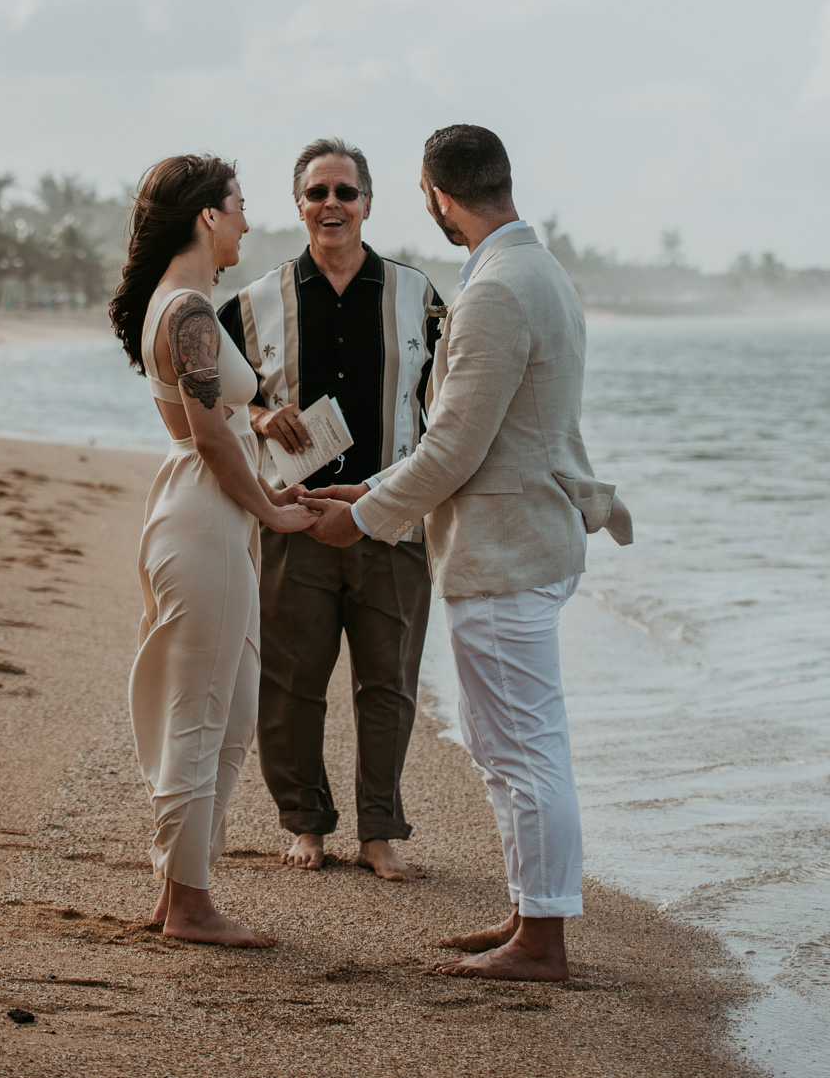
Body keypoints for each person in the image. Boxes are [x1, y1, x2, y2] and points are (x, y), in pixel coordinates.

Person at [305, 124, 632, 980]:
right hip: (528, 540)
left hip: (505, 551)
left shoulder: (496, 290)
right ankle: (530, 914)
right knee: (511, 745)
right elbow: (482, 436)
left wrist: (365, 516)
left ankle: (543, 939)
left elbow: (455, 446)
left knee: (520, 749)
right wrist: (368, 488)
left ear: (435, 195)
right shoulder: (541, 271)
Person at [218, 137, 442, 881]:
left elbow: (452, 410)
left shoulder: (424, 299)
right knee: (291, 682)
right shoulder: (250, 305)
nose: (332, 205)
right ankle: (306, 824)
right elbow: (203, 390)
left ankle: (380, 831)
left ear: (369, 204)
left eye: (346, 192)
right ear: (300, 206)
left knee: (389, 683)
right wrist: (255, 416)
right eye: (317, 193)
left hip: (391, 518)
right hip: (296, 516)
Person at [110, 155, 318, 948]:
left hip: (203, 509)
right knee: (203, 710)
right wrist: (269, 508)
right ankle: (191, 906)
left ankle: (177, 891)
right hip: (205, 513)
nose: (245, 222)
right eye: (237, 207)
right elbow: (208, 436)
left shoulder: (181, 303)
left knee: (227, 709)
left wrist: (266, 487)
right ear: (206, 216)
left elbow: (221, 431)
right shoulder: (190, 309)